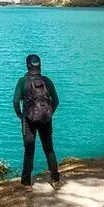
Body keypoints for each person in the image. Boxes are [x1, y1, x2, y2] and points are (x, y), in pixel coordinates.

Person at [12, 54, 62, 190]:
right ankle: (55, 179)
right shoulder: (47, 81)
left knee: (29, 151)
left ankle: (26, 183)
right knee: (49, 149)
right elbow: (56, 101)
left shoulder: (23, 81)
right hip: (46, 119)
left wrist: (20, 115)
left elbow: (15, 101)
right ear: (40, 66)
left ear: (27, 66)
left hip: (28, 120)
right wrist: (48, 114)